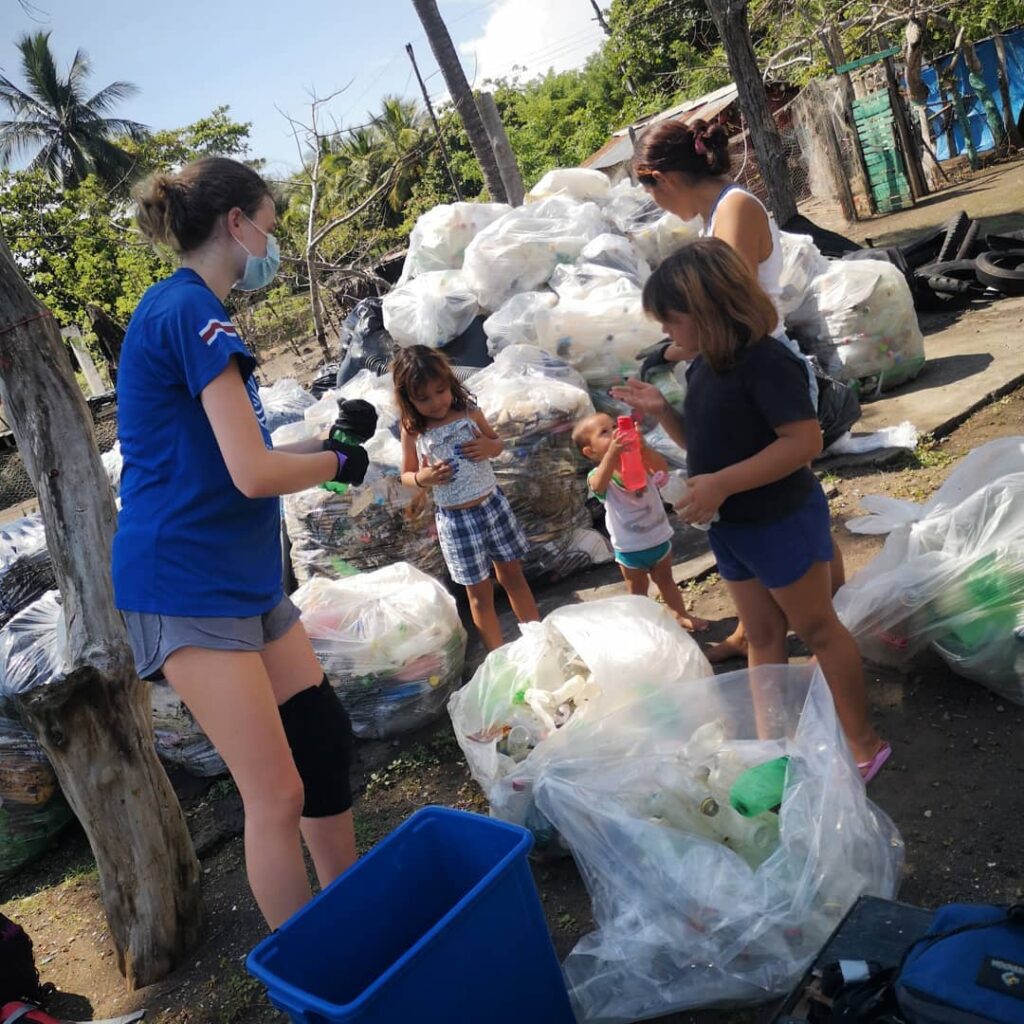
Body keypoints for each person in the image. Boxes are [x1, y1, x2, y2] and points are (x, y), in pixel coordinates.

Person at [113, 157, 374, 930]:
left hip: (241, 577)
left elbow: (240, 453)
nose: (273, 241)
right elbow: (255, 474)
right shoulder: (193, 314)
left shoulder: (190, 311)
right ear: (237, 223)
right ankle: (315, 974)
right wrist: (339, 465)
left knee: (320, 744)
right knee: (276, 794)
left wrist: (326, 444)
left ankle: (356, 916)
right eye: (269, 222)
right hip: (184, 584)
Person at [613, 240, 890, 781]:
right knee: (761, 636)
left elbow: (803, 443)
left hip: (780, 519)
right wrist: (664, 412)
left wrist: (719, 483)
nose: (667, 337)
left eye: (672, 322)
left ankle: (865, 743)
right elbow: (705, 445)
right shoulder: (704, 368)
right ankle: (771, 748)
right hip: (733, 527)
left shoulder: (768, 363)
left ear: (709, 312)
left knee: (817, 628)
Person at [633, 117, 847, 661]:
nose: (658, 207)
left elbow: (724, 305)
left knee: (788, 498)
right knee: (780, 500)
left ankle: (823, 621)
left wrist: (674, 350)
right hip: (731, 369)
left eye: (651, 192)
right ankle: (770, 626)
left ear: (662, 177)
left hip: (758, 373)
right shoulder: (715, 213)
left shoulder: (733, 208)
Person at [393, 345, 540, 651]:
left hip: (493, 505)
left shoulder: (469, 412)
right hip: (456, 521)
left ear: (450, 382)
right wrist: (424, 478)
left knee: (513, 576)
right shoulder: (413, 430)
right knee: (478, 594)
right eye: (423, 398)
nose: (435, 403)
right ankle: (497, 656)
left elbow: (496, 443)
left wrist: (489, 447)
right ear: (408, 399)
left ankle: (538, 639)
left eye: (440, 391)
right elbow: (406, 476)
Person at [573, 412, 709, 633]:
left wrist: (643, 448)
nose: (615, 433)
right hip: (630, 548)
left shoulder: (639, 460)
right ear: (591, 452)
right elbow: (598, 486)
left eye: (613, 426)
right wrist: (613, 454)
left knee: (666, 581)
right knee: (638, 591)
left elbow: (661, 468)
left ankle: (681, 614)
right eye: (605, 432)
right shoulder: (598, 474)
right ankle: (646, 628)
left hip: (658, 538)